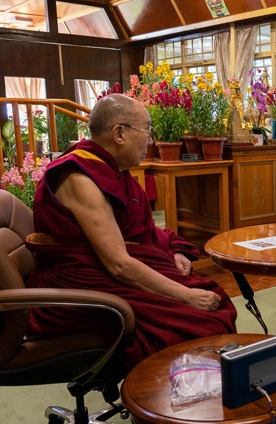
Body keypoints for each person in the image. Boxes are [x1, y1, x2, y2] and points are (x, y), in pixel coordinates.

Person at [25, 94, 238, 372]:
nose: (150, 141)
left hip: (104, 269)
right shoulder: (80, 177)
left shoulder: (111, 169)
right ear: (119, 133)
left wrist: (173, 249)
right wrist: (184, 296)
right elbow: (118, 264)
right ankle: (171, 395)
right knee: (201, 319)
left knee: (213, 297)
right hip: (81, 282)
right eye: (147, 130)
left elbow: (137, 230)